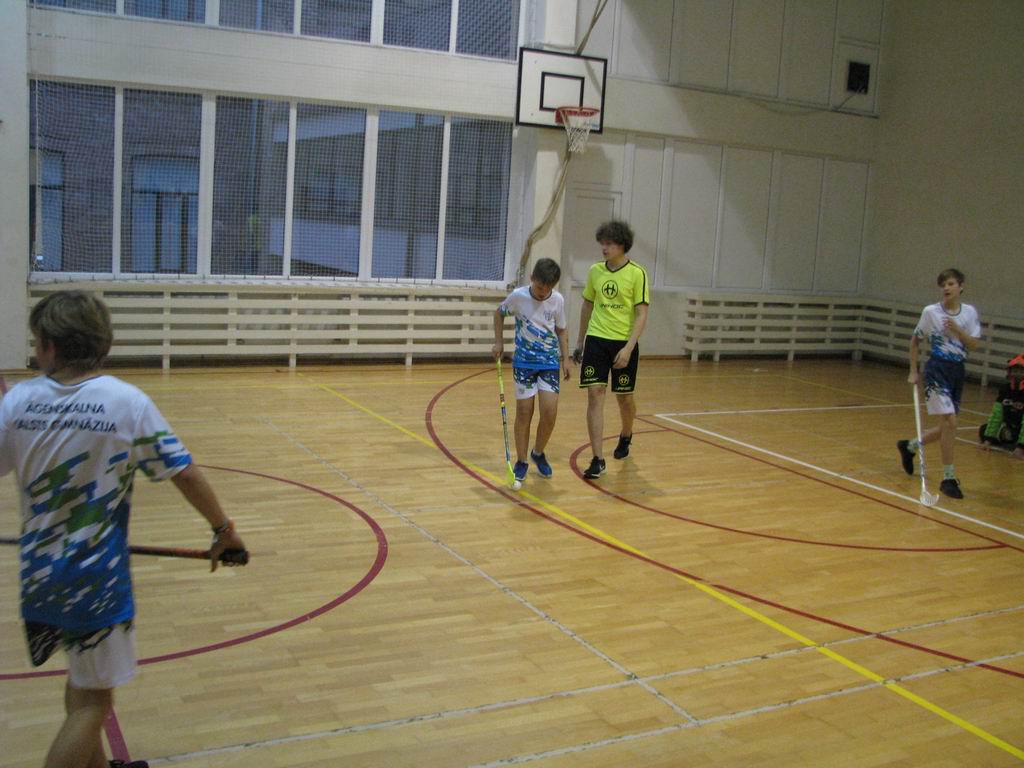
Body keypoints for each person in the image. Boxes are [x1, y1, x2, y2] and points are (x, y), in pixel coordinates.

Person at [0, 290, 246, 768]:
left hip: (38, 575)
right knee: (93, 703)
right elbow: (183, 472)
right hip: (95, 581)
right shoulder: (125, 402)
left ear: (49, 345)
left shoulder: (20, 401)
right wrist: (223, 529)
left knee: (83, 684)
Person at [572, 220, 650, 480]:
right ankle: (598, 459)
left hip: (623, 343)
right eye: (602, 243)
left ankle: (626, 435)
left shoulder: (637, 273)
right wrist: (580, 341)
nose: (604, 248)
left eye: (609, 244)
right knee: (595, 394)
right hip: (597, 340)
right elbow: (587, 306)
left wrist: (629, 348)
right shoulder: (595, 271)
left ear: (622, 245)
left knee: (624, 398)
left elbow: (641, 314)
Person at [897, 268, 982, 499]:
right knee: (951, 422)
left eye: (951, 284)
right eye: (943, 285)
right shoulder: (931, 312)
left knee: (947, 426)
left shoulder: (969, 313)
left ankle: (910, 446)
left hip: (957, 370)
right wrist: (913, 370)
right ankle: (948, 478)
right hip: (937, 369)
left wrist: (958, 330)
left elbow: (974, 344)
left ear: (961, 286)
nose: (946, 288)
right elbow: (915, 341)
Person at [493, 258, 571, 485]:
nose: (542, 292)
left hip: (549, 364)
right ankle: (522, 460)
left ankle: (538, 452)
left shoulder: (557, 300)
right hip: (524, 364)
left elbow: (561, 330)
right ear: (532, 279)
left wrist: (566, 359)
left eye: (547, 288)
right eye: (539, 287)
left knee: (549, 412)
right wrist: (499, 342)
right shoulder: (518, 296)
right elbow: (498, 313)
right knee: (524, 412)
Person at [978, 354, 1024, 460]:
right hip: (1012, 428)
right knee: (984, 429)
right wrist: (988, 440)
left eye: (1021, 371)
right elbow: (996, 415)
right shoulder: (1004, 390)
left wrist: (1021, 447)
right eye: (1015, 371)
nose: (1017, 374)